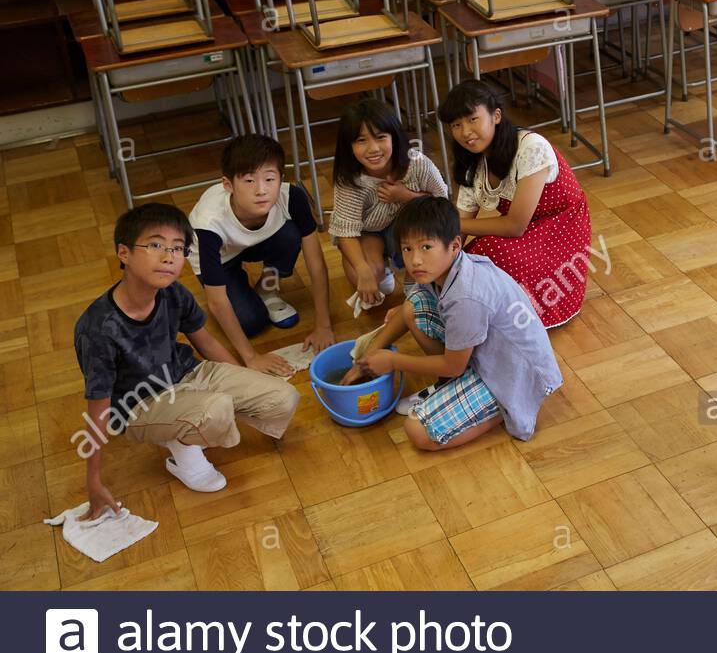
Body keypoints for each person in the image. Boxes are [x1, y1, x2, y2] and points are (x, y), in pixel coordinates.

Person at [74, 204, 300, 512]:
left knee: (283, 396)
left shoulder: (173, 293)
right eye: (155, 245)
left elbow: (205, 341)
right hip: (137, 406)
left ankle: (196, 419)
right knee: (215, 410)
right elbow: (99, 410)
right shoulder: (98, 329)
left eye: (178, 248)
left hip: (189, 374)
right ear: (123, 253)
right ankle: (181, 448)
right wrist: (94, 480)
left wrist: (243, 382)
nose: (169, 256)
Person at [348, 197, 562, 451]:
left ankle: (508, 404)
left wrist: (392, 361)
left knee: (418, 432)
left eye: (426, 247)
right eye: (407, 249)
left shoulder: (466, 296)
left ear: (455, 245)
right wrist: (370, 355)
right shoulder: (442, 270)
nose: (415, 260)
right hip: (485, 352)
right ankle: (455, 389)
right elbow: (409, 312)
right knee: (412, 307)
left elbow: (453, 365)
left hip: (514, 373)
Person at [437, 80, 591, 329]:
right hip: (528, 229)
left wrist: (451, 226)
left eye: (473, 119)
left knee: (490, 252)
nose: (465, 132)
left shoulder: (531, 147)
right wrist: (439, 257)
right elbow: (460, 227)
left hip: (562, 229)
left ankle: (499, 319)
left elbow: (515, 226)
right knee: (463, 259)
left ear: (496, 115)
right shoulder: (472, 162)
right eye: (456, 125)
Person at [188, 135, 333, 374]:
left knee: (289, 234)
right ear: (228, 185)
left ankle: (267, 288)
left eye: (269, 178)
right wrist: (251, 357)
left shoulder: (291, 197)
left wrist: (323, 325)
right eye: (248, 181)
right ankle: (241, 286)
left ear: (280, 179)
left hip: (261, 240)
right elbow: (216, 301)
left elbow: (315, 262)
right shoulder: (208, 224)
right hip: (223, 257)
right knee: (251, 323)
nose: (261, 190)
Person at [329, 98, 449, 310]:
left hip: (410, 228)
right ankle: (381, 267)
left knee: (425, 255)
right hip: (369, 233)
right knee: (364, 278)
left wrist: (406, 196)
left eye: (380, 137)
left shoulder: (417, 163)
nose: (373, 149)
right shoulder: (349, 179)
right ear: (349, 146)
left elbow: (442, 203)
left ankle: (414, 277)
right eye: (361, 140)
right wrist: (364, 271)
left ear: (394, 137)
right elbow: (345, 231)